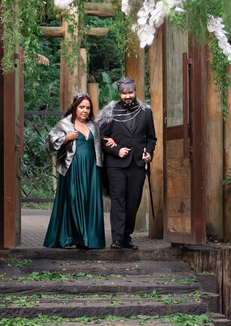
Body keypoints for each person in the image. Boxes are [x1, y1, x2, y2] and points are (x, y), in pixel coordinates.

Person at [97, 78, 156, 250]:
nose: (127, 96)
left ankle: (126, 237)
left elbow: (151, 138)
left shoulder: (145, 112)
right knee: (118, 200)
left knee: (133, 202)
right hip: (115, 165)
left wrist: (148, 152)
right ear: (120, 93)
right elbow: (101, 138)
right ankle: (117, 239)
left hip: (137, 164)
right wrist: (117, 150)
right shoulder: (110, 112)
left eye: (130, 92)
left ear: (135, 91)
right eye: (124, 93)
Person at [43, 93, 106, 250]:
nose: (85, 110)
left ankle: (90, 239)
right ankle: (72, 237)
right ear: (75, 108)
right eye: (81, 107)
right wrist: (67, 138)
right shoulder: (64, 124)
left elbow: (99, 146)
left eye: (88, 107)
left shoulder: (94, 125)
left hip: (91, 168)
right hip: (72, 167)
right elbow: (51, 143)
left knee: (90, 200)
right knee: (73, 199)